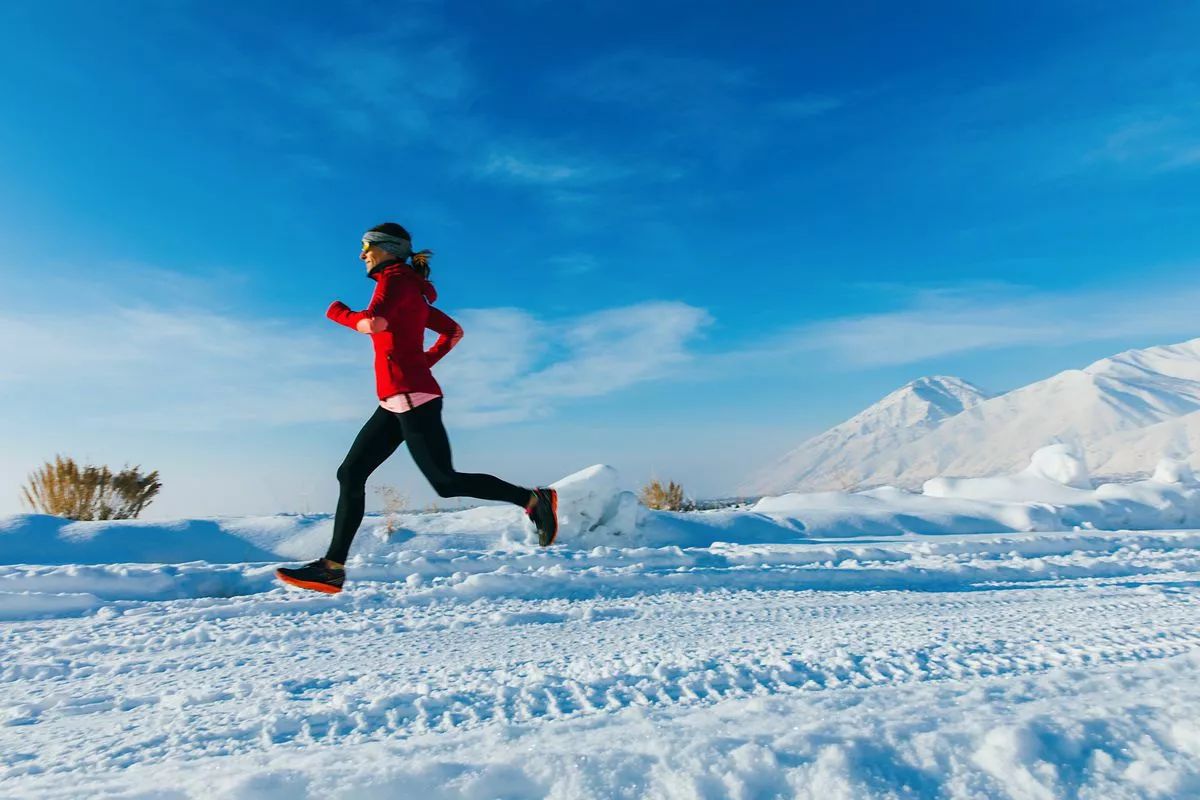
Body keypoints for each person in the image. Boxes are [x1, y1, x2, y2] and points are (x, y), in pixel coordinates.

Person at [276, 223, 558, 594]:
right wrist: (422, 363)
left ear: (387, 249)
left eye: (365, 247)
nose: (361, 255)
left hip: (412, 399)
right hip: (396, 399)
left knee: (445, 483)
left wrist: (337, 312)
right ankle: (332, 567)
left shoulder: (394, 279)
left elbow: (371, 323)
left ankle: (532, 499)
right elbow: (452, 331)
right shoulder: (410, 289)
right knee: (350, 473)